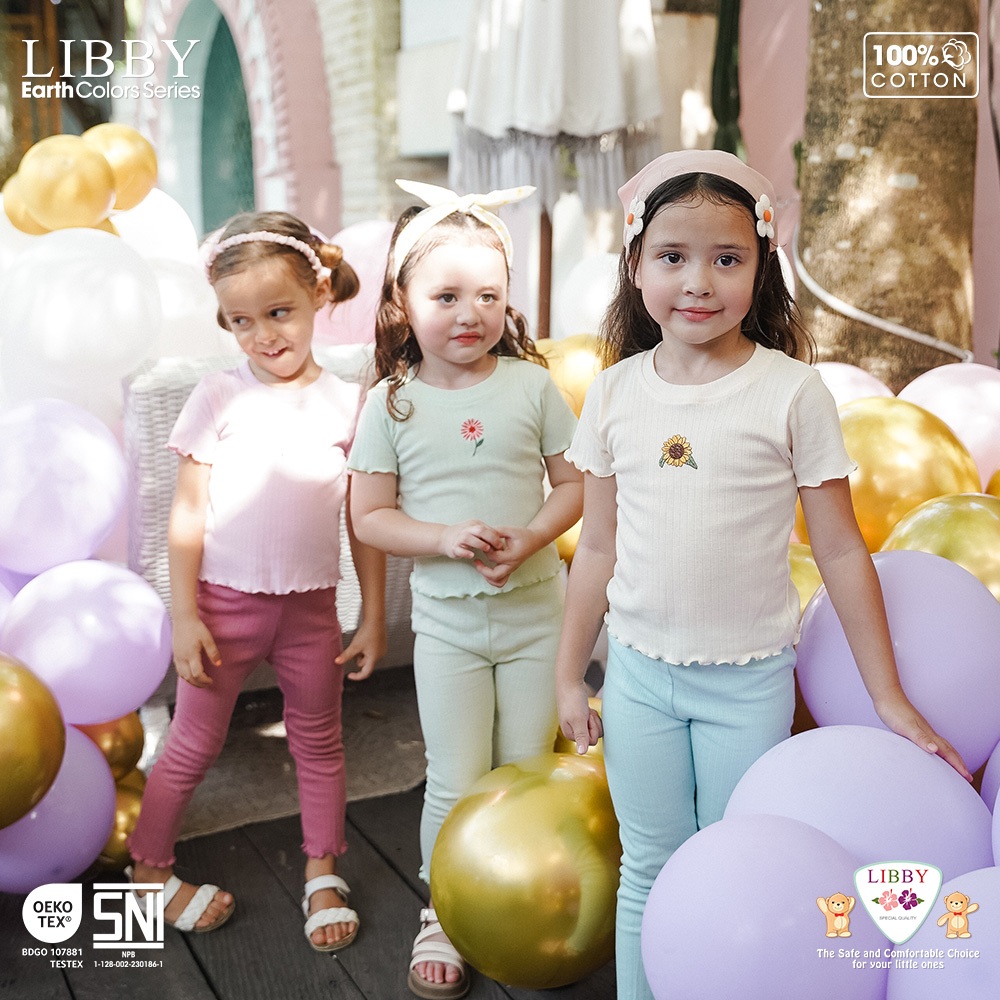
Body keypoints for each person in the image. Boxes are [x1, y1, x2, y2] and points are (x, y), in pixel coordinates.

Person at [553, 150, 972, 1000]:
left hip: (747, 685)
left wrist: (887, 696)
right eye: (672, 257)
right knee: (650, 867)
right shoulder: (615, 393)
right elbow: (596, 546)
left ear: (761, 266)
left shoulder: (791, 393)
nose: (698, 282)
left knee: (735, 868)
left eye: (726, 258)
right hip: (637, 679)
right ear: (635, 266)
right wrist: (568, 676)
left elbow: (843, 551)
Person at [127, 211, 387, 953]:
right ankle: (148, 871)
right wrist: (185, 616)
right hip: (222, 610)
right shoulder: (218, 395)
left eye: (279, 313)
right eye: (241, 321)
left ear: (319, 296)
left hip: (311, 616)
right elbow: (187, 514)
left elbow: (363, 521)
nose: (263, 335)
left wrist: (371, 615)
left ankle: (322, 871)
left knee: (320, 743)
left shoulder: (349, 403)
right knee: (190, 744)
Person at [348, 180, 583, 999]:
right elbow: (370, 516)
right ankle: (445, 913)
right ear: (404, 302)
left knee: (527, 766)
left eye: (488, 295)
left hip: (536, 618)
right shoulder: (391, 404)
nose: (469, 314)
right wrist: (443, 537)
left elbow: (575, 485)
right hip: (448, 628)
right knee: (454, 774)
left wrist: (533, 536)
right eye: (445, 296)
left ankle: (527, 901)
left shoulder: (531, 387)